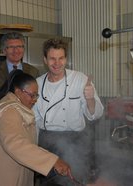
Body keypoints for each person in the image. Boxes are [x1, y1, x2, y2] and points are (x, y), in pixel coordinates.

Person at [0, 70, 72, 186]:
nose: (35, 99)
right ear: (18, 92)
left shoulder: (16, 107)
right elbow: (16, 144)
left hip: (6, 172)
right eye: (32, 95)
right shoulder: (9, 111)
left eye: (36, 95)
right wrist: (53, 161)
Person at [33, 38, 104, 185]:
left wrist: (90, 99)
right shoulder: (37, 84)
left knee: (75, 181)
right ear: (45, 60)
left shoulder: (79, 79)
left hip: (75, 142)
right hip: (47, 143)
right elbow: (33, 119)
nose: (57, 63)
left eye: (61, 58)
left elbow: (95, 115)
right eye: (52, 59)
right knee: (49, 183)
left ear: (66, 59)